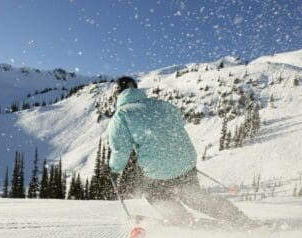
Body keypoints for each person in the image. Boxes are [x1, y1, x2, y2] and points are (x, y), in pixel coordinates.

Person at [107, 76, 254, 228]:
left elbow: (121, 151)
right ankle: (239, 219)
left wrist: (114, 169)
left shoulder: (121, 116)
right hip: (185, 161)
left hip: (157, 170)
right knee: (194, 197)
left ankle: (182, 220)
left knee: (155, 195)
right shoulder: (162, 104)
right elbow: (178, 123)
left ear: (117, 94)